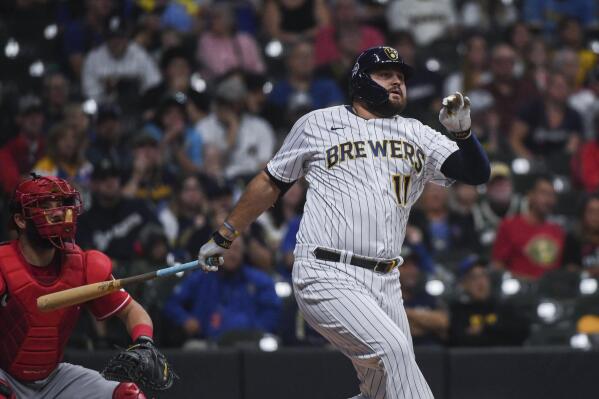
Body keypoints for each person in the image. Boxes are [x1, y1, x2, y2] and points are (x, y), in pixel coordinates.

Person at [196, 46, 490, 398]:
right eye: (386, 74)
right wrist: (225, 234)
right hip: (325, 270)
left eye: (401, 77)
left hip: (385, 281)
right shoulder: (317, 123)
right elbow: (270, 182)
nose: (397, 81)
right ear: (360, 81)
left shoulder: (417, 132)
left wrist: (463, 134)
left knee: (380, 392)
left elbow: (475, 172)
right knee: (394, 351)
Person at [0, 174, 172, 398]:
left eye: (61, 205)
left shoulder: (83, 265)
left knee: (129, 395)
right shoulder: (3, 263)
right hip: (5, 375)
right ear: (21, 220)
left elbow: (132, 311)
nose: (58, 212)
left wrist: (144, 342)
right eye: (45, 206)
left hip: (53, 378)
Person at [164, 237, 281, 344]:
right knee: (192, 346)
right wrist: (185, 319)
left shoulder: (258, 280)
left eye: (236, 249)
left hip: (250, 343)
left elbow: (272, 310)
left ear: (243, 252)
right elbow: (172, 304)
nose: (232, 254)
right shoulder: (201, 278)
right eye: (227, 249)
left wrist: (258, 330)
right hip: (208, 343)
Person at [492, 174, 566, 280]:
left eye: (552, 195)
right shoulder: (509, 226)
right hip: (520, 292)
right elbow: (498, 265)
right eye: (544, 193)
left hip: (552, 292)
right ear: (530, 195)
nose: (548, 200)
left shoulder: (559, 231)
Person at [448, 257, 529, 347]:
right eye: (473, 277)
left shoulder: (505, 307)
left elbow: (522, 331)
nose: (480, 282)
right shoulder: (458, 311)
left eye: (483, 275)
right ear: (464, 284)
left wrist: (483, 329)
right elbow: (458, 340)